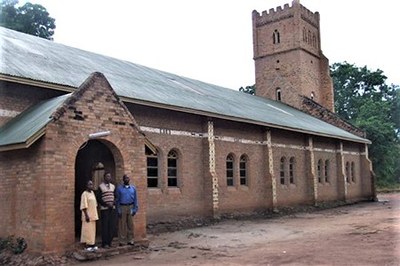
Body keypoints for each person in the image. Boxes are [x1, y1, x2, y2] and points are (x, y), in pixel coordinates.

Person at [116, 174, 138, 246]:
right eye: (125, 178)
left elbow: (135, 199)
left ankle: (130, 240)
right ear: (123, 180)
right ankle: (122, 241)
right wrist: (118, 210)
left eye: (128, 178)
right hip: (123, 206)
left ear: (129, 179)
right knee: (122, 225)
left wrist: (135, 209)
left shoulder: (133, 188)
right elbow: (117, 200)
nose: (127, 179)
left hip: (131, 206)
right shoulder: (119, 189)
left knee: (130, 224)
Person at [96, 172, 116, 248]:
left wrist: (113, 203)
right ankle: (105, 243)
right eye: (107, 176)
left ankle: (110, 242)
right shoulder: (100, 187)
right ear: (104, 178)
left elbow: (116, 196)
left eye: (109, 176)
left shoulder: (113, 186)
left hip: (112, 208)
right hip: (104, 209)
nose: (109, 178)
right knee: (105, 226)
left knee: (111, 225)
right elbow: (98, 198)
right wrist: (106, 204)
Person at [80, 180, 98, 251]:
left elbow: (95, 204)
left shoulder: (92, 193)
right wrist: (86, 215)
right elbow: (84, 206)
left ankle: (92, 243)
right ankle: (87, 245)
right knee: (87, 230)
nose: (91, 186)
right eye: (89, 184)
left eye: (92, 184)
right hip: (87, 215)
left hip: (93, 214)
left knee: (92, 230)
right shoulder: (84, 194)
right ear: (86, 186)